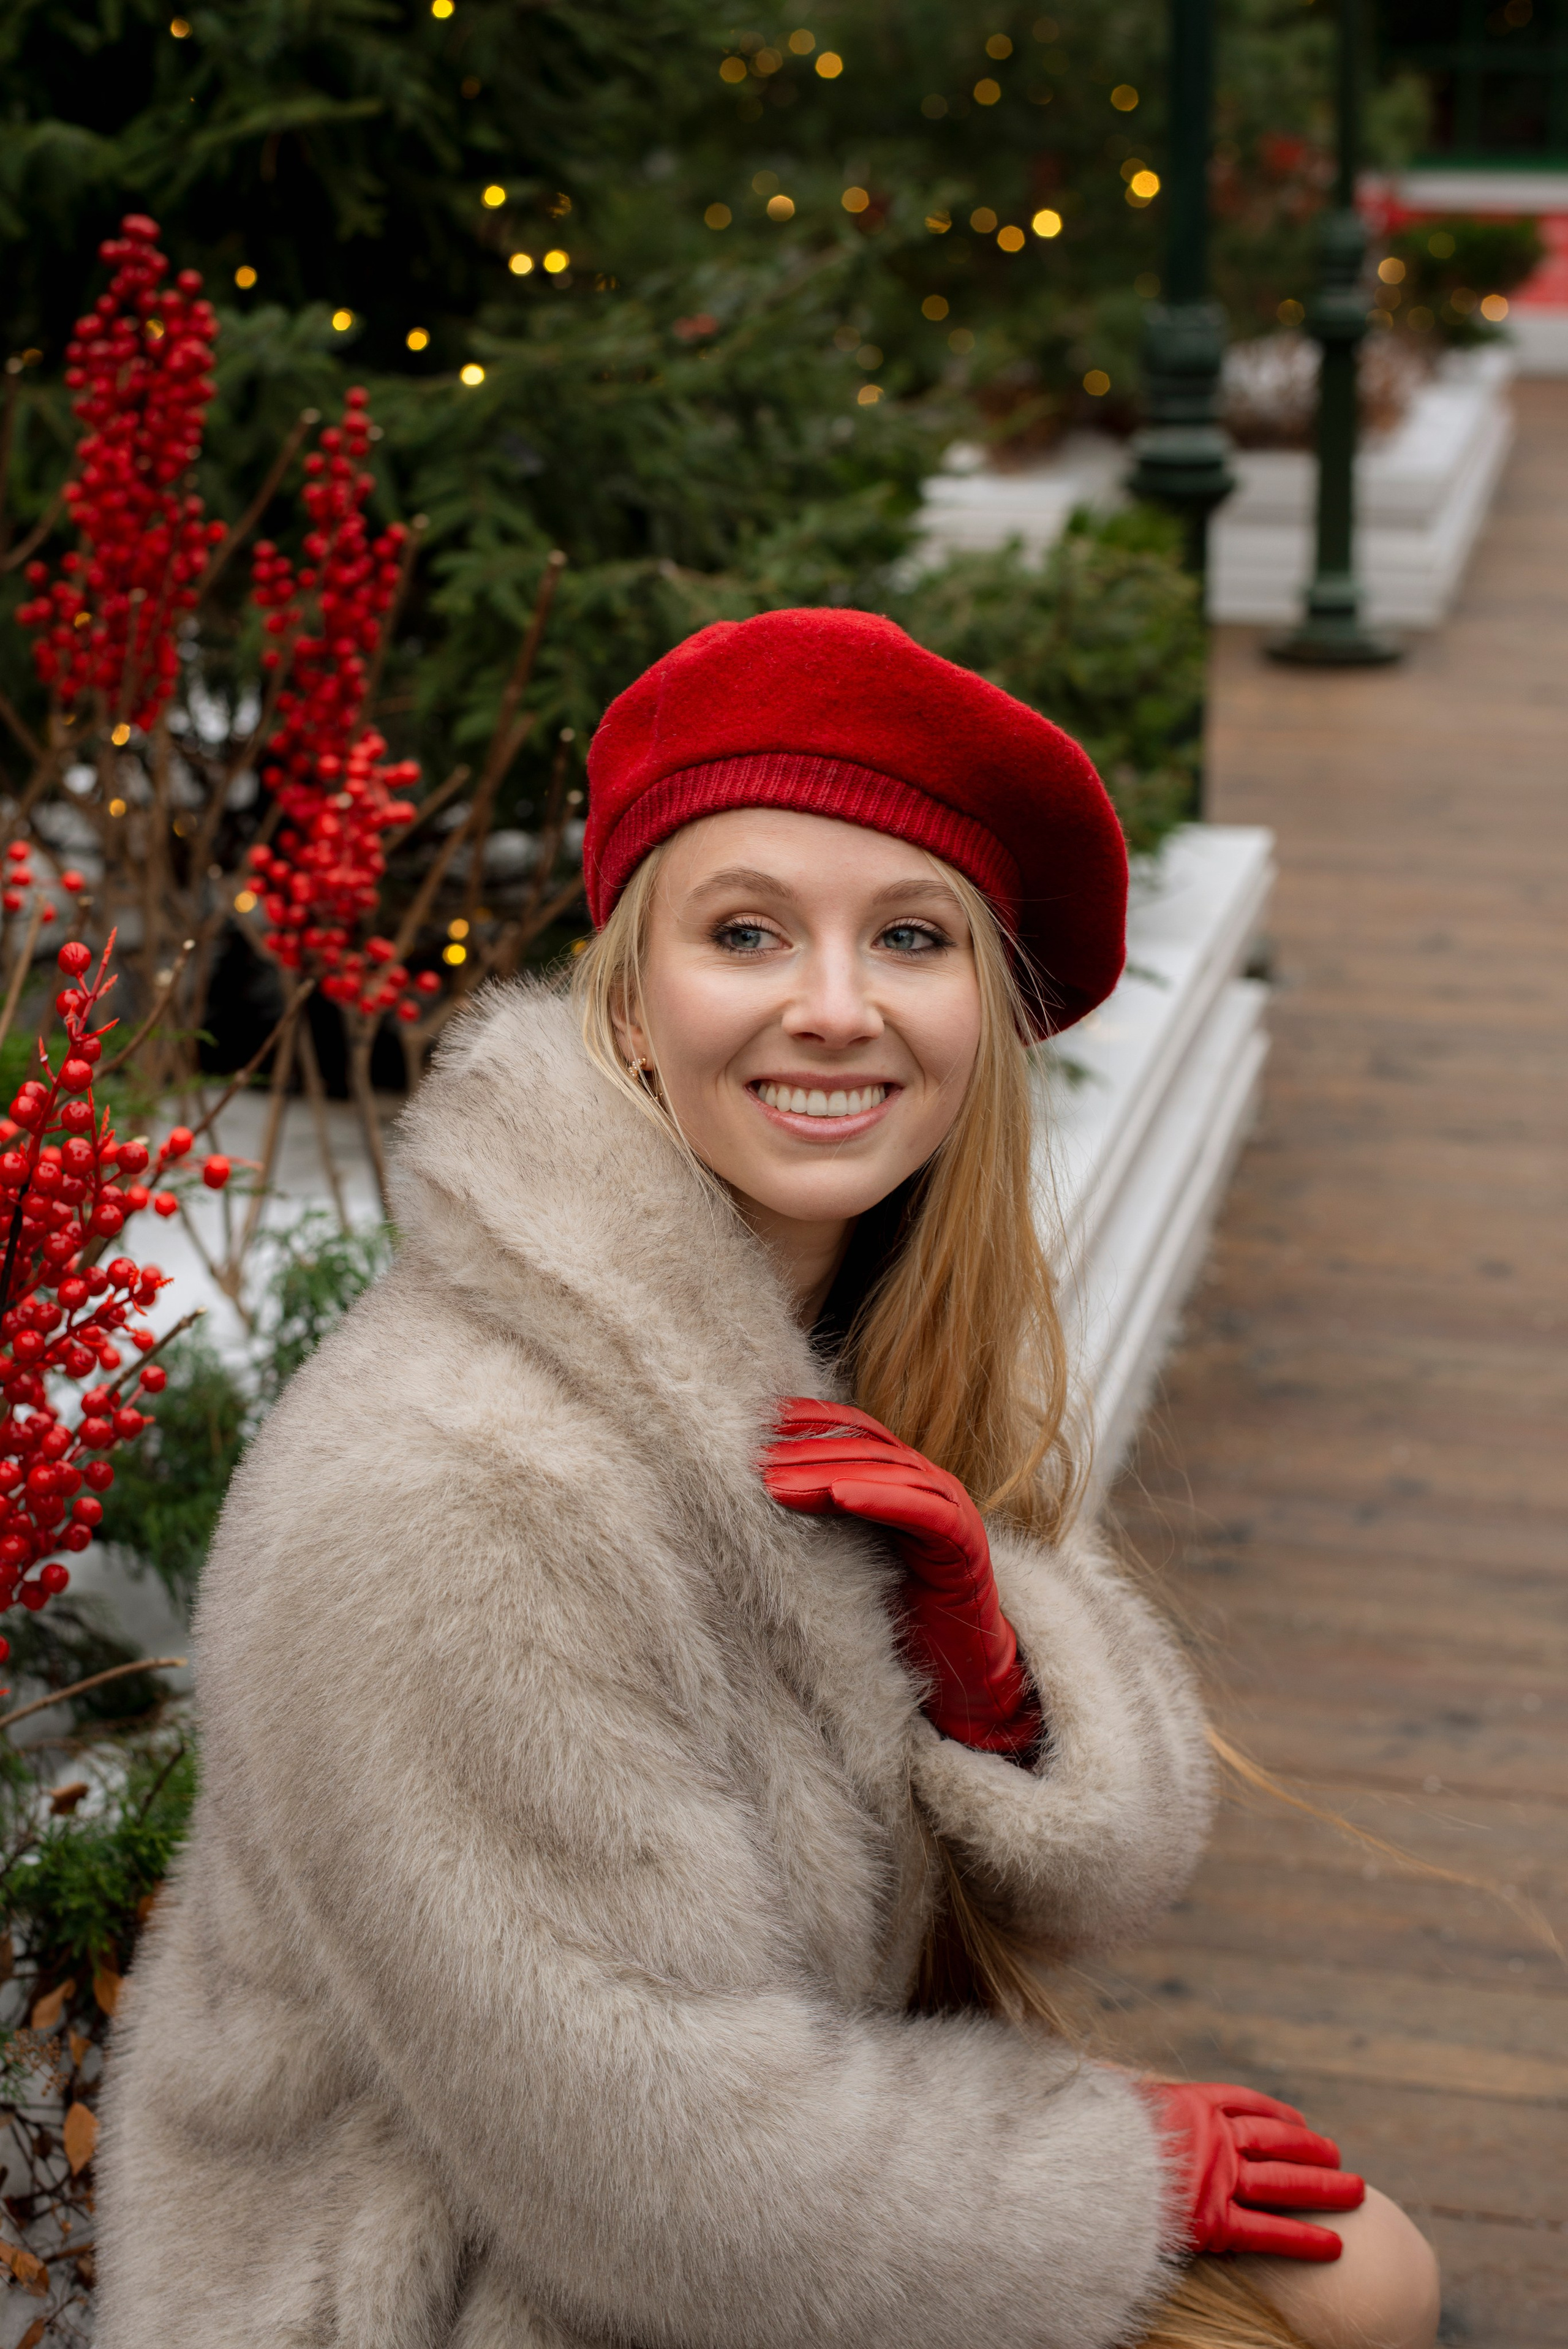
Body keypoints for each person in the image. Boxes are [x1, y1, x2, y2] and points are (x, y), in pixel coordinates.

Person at [97, 609, 1440, 2349]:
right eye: (746, 931)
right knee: (1348, 2288)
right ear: (636, 1009)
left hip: (671, 2221)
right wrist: (1114, 2165)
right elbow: (653, 2156)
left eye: (909, 935)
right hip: (456, 2287)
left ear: (980, 1008)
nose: (835, 1006)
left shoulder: (848, 1348)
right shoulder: (459, 1491)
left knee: (1360, 2269)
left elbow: (1105, 1872)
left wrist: (984, 1666)